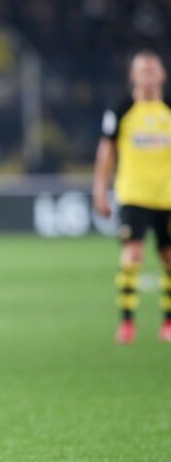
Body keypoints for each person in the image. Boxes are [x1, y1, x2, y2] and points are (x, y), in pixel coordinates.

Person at [93, 50, 171, 344]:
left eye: (153, 71)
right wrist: (100, 190)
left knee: (169, 258)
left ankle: (168, 323)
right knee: (133, 254)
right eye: (143, 71)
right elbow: (106, 152)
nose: (148, 76)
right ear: (133, 76)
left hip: (167, 196)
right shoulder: (121, 110)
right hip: (133, 194)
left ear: (162, 75)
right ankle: (127, 323)